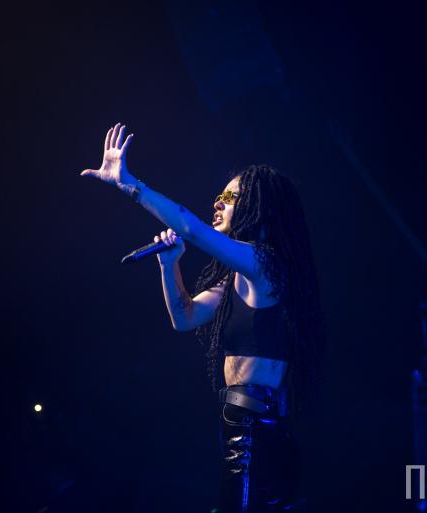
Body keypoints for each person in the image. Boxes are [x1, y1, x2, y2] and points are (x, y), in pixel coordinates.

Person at [80, 123, 325, 512]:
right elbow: (184, 317)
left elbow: (190, 229)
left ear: (258, 207)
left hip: (256, 431)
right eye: (219, 195)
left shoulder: (266, 264)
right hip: (239, 425)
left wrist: (128, 184)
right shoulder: (236, 280)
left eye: (230, 196)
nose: (218, 203)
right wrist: (169, 266)